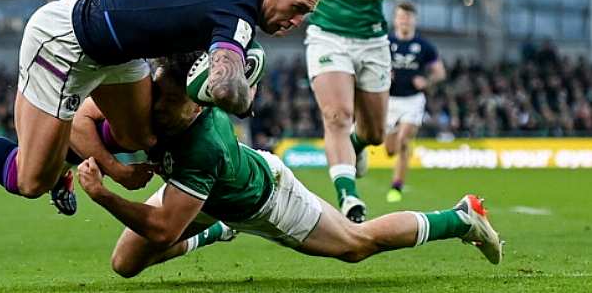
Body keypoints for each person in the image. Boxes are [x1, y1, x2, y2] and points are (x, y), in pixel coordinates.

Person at [0, 0, 344, 210]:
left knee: (140, 132)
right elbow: (227, 88)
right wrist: (247, 92)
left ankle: (62, 155)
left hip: (116, 44)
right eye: (299, 8)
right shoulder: (238, 11)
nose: (297, 20)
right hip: (66, 42)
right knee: (30, 181)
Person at [73, 53, 502, 279]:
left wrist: (104, 194)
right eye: (161, 96)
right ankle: (217, 230)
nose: (161, 110)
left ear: (199, 101)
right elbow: (80, 119)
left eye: (176, 103)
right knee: (125, 265)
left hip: (265, 198)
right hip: (201, 194)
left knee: (356, 245)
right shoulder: (149, 97)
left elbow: (164, 228)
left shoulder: (206, 141)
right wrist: (116, 167)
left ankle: (461, 219)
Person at [292, 0, 417, 222]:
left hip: (372, 41)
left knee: (375, 133)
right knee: (336, 116)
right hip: (326, 35)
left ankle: (358, 146)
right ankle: (349, 198)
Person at [383, 2, 445, 203]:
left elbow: (440, 72)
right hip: (389, 101)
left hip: (413, 100)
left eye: (408, 17)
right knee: (390, 149)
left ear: (414, 20)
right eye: (401, 16)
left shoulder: (424, 46)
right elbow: (369, 66)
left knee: (403, 142)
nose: (405, 20)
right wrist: (383, 74)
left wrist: (426, 81)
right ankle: (394, 142)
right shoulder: (385, 42)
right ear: (395, 19)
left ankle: (397, 186)